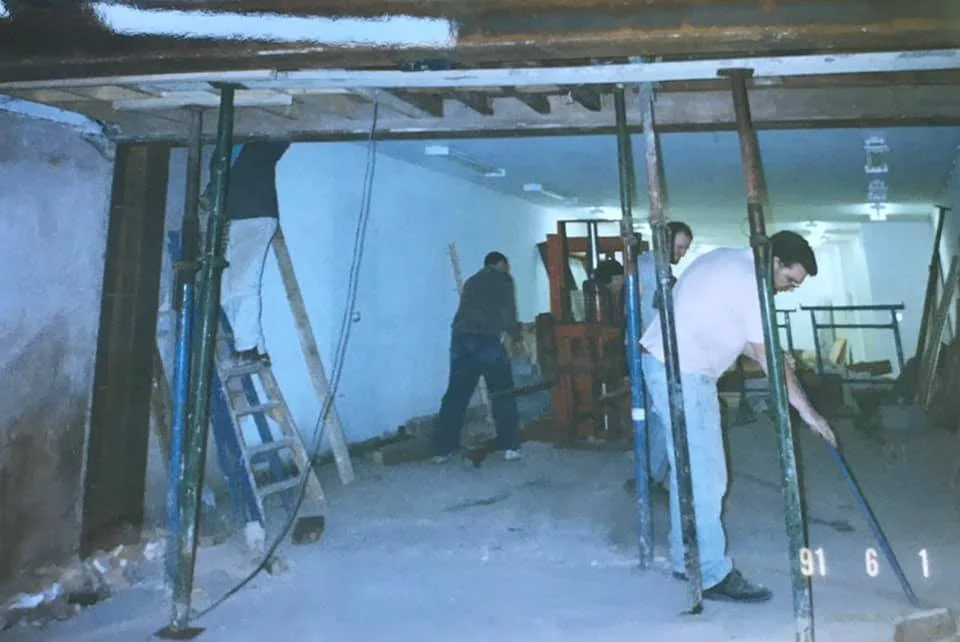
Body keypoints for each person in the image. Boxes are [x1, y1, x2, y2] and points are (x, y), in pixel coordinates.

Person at [640, 231, 836, 603]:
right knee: (708, 477)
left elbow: (742, 337)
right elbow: (768, 359)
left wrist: (768, 354)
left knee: (690, 473)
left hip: (670, 367)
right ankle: (711, 572)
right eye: (789, 280)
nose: (788, 288)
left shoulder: (730, 260)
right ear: (776, 262)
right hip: (684, 374)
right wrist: (810, 414)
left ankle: (687, 559)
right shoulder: (751, 282)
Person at [433, 251, 525, 463]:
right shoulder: (503, 279)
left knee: (456, 394)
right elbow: (508, 311)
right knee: (502, 392)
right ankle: (510, 446)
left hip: (461, 339)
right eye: (507, 265)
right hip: (486, 340)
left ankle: (442, 449)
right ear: (500, 263)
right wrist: (517, 336)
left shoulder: (472, 281)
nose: (508, 270)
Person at [214, 141, 290, 366]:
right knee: (226, 289)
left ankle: (248, 348)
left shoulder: (260, 145)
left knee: (243, 283)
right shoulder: (230, 149)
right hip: (238, 218)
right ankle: (254, 346)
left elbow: (280, 140)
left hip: (255, 217)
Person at [637, 221, 693, 486]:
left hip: (652, 347)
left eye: (685, 249)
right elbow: (661, 309)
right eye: (680, 247)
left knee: (656, 414)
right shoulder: (651, 268)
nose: (682, 254)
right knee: (661, 415)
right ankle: (650, 477)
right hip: (651, 350)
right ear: (665, 242)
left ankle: (650, 473)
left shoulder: (652, 265)